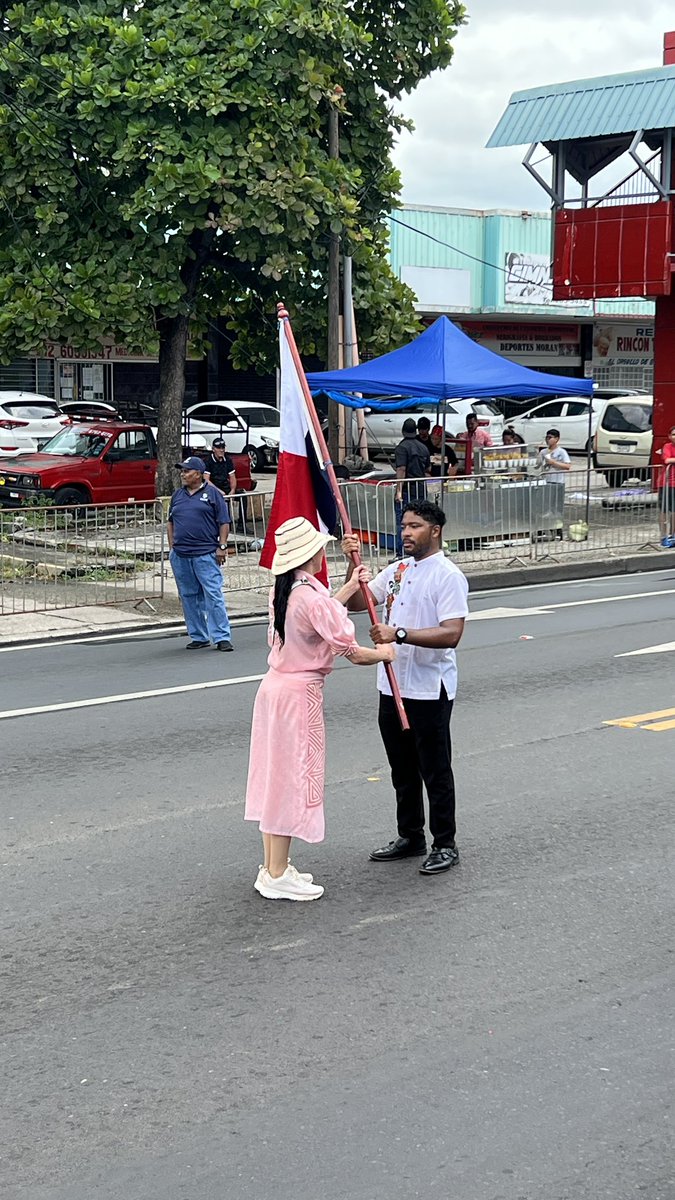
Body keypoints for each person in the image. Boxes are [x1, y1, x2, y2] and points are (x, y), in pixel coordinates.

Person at [245, 517, 396, 902]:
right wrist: (384, 653)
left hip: (276, 689)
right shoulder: (309, 598)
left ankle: (272, 866)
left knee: (276, 776)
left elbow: (322, 613)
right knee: (291, 778)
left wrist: (347, 587)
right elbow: (350, 649)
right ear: (310, 552)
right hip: (298, 695)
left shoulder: (287, 589)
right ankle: (277, 873)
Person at [342, 499, 469, 876]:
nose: (406, 533)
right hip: (392, 684)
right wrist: (353, 564)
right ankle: (410, 835)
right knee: (401, 768)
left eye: (414, 526)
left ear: (435, 530)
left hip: (430, 689)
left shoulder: (448, 576)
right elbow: (353, 603)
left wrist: (398, 633)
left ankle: (445, 843)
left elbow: (452, 633)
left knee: (435, 769)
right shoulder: (396, 570)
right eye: (403, 526)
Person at [167, 456, 234, 651]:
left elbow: (224, 522)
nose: (183, 474)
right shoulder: (177, 495)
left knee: (212, 594)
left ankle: (221, 636)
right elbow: (170, 522)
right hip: (181, 555)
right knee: (188, 595)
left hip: (205, 554)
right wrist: (172, 548)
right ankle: (198, 635)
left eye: (186, 471)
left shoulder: (213, 494)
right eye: (182, 471)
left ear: (198, 474)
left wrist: (221, 546)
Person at [394, 417, 430, 556]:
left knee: (403, 522)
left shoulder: (401, 448)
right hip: (420, 488)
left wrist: (398, 491)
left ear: (403, 431)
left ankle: (402, 553)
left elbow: (401, 469)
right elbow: (428, 468)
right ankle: (419, 551)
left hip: (407, 489)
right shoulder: (423, 447)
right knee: (419, 521)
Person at [657, 425, 675, 547]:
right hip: (667, 483)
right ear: (669, 436)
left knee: (674, 511)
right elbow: (667, 460)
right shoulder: (667, 447)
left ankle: (672, 535)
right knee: (664, 510)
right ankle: (664, 536)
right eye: (673, 434)